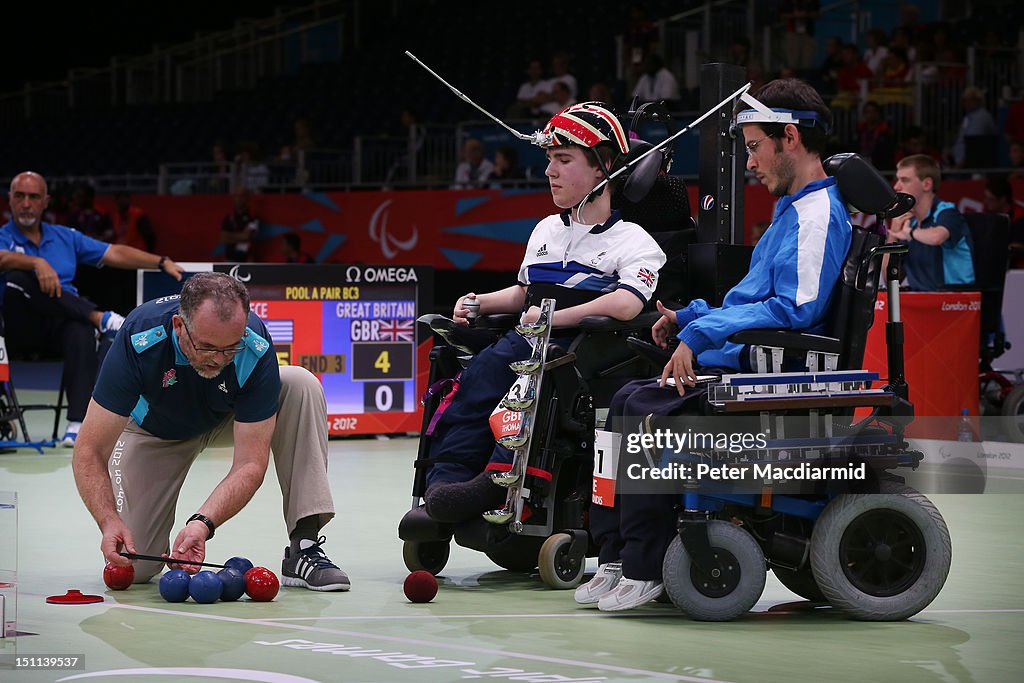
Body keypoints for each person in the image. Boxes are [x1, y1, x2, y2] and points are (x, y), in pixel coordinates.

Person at [575, 78, 852, 612]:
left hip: (771, 374)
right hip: (743, 358)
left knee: (642, 411)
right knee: (621, 403)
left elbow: (797, 310)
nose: (750, 162)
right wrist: (690, 315)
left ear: (789, 138)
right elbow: (749, 298)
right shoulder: (792, 210)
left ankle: (645, 564)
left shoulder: (817, 215)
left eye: (754, 146)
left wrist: (700, 335)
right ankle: (616, 555)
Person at [422, 102, 667, 524]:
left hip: (577, 349)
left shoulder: (634, 240)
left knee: (531, 382)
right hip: (527, 336)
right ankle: (444, 486)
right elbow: (524, 291)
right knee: (476, 378)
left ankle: (499, 481)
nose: (550, 172)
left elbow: (627, 303)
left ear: (603, 167)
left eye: (564, 160)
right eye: (550, 160)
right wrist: (481, 301)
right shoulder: (546, 229)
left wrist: (554, 319)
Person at [71, 272, 350, 591]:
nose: (218, 359)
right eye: (206, 347)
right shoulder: (139, 336)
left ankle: (304, 546)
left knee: (301, 385)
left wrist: (202, 522)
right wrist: (108, 521)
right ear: (179, 326)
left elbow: (250, 464)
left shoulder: (253, 343)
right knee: (136, 565)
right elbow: (89, 450)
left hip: (226, 417)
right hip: (155, 431)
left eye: (230, 348)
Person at [0, 171, 185, 446]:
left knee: (80, 330)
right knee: (18, 278)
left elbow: (114, 253)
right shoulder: (3, 237)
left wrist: (160, 262)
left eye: (34, 197)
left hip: (59, 325)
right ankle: (100, 317)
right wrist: (35, 263)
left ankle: (76, 424)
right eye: (20, 196)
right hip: (17, 329)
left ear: (46, 201)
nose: (26, 203)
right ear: (10, 199)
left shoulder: (64, 237)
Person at [887, 154, 975, 291]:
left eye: (904, 180)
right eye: (897, 180)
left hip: (954, 301)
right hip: (922, 301)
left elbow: (936, 237)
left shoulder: (948, 212)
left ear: (927, 184)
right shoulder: (910, 222)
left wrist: (909, 233)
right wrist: (893, 235)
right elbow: (890, 280)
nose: (896, 187)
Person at [952, 86, 998, 169]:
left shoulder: (981, 117)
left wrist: (960, 165)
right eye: (965, 100)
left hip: (973, 165)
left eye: (971, 99)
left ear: (979, 101)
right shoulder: (968, 117)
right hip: (963, 164)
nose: (967, 103)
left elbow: (973, 145)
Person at [220, 187, 259, 262]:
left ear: (247, 198)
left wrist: (230, 236)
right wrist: (241, 236)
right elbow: (223, 238)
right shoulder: (229, 218)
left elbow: (247, 236)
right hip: (230, 259)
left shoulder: (253, 218)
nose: (239, 199)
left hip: (247, 260)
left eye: (242, 196)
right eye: (236, 196)